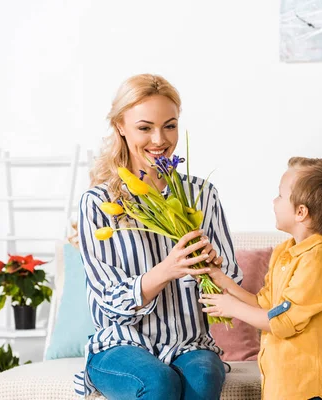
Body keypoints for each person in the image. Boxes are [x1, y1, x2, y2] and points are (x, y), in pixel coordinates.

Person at [75, 73, 242, 400]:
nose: (159, 139)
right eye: (144, 127)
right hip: (120, 344)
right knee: (159, 382)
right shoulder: (99, 203)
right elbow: (110, 302)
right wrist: (169, 268)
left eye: (169, 125)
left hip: (190, 342)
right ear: (121, 126)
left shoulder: (202, 195)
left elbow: (231, 285)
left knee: (205, 377)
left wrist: (214, 272)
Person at [199, 157, 322, 400]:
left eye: (280, 196)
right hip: (281, 382)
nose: (274, 201)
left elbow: (279, 321)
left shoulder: (316, 262)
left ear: (301, 212)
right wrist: (224, 282)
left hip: (307, 387)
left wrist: (232, 307)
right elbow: (266, 304)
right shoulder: (285, 253)